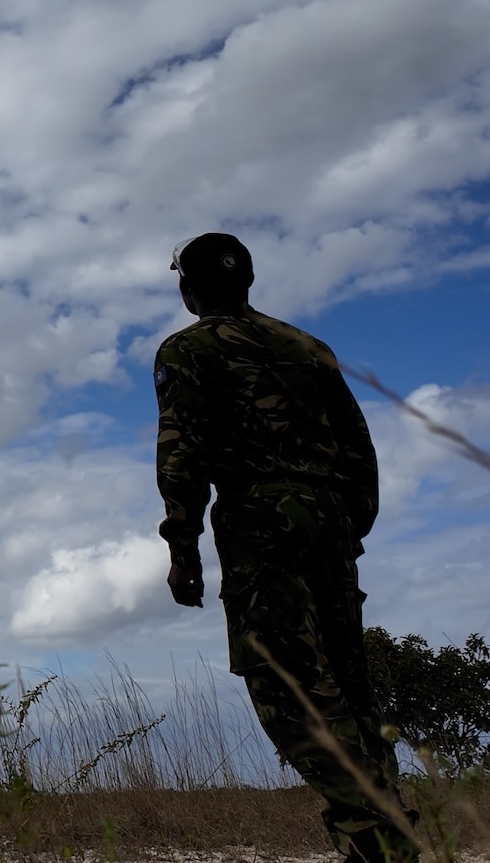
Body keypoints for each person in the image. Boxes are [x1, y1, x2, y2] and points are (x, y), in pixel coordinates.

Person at [154, 233, 416, 863]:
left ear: (187, 288)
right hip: (330, 517)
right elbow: (358, 441)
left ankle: (374, 833)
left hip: (258, 518)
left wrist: (182, 547)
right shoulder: (308, 347)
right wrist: (352, 522)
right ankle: (385, 817)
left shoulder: (186, 350)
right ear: (246, 280)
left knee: (285, 681)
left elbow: (181, 454)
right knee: (349, 679)